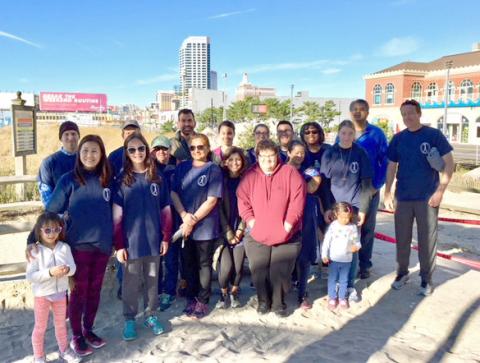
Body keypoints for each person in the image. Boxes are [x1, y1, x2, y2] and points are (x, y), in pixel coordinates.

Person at [46, 135, 117, 357]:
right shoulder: (69, 180)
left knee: (94, 292)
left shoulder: (108, 179)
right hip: (77, 247)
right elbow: (50, 212)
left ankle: (89, 330)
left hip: (103, 246)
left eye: (94, 151)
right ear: (79, 153)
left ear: (101, 154)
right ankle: (76, 335)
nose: (89, 155)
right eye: (85, 150)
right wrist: (35, 240)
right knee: (78, 293)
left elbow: (117, 211)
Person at [384, 99, 454, 296]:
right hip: (403, 196)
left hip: (427, 197)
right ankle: (402, 273)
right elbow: (391, 166)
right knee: (402, 239)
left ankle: (426, 279)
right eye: (404, 114)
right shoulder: (398, 139)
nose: (408, 117)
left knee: (427, 240)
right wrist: (388, 191)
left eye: (411, 113)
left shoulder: (433, 135)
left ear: (419, 113)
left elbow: (449, 163)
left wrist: (440, 191)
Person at [113, 133, 172, 340]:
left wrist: (165, 237)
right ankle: (130, 319)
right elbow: (117, 217)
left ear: (147, 150)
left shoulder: (157, 177)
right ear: (126, 153)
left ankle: (151, 314)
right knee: (130, 282)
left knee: (153, 279)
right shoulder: (121, 180)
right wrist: (119, 245)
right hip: (131, 243)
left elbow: (166, 209)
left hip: (154, 241)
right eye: (132, 149)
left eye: (141, 148)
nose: (137, 153)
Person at [237, 139, 306, 317]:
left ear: (278, 155)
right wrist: (252, 222)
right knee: (259, 270)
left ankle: (278, 301)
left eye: (271, 156)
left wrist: (288, 224)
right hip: (257, 233)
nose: (268, 161)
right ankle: (263, 300)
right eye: (263, 157)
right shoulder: (249, 175)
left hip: (287, 235)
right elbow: (243, 201)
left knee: (280, 272)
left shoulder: (290, 173)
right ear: (257, 157)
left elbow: (297, 202)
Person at [171, 134, 223, 319]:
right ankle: (191, 298)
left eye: (201, 147)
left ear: (208, 148)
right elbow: (173, 193)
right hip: (185, 226)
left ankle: (203, 300)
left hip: (205, 227)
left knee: (204, 265)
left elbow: (211, 200)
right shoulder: (182, 167)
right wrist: (184, 216)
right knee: (188, 264)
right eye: (193, 148)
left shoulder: (213, 169)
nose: (197, 151)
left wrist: (191, 220)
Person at [321, 120, 374, 303]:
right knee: (334, 244)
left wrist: (364, 209)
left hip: (353, 205)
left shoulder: (360, 153)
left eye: (350, 133)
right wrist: (328, 207)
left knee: (351, 246)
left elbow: (367, 183)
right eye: (343, 133)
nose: (346, 137)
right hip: (335, 207)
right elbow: (325, 183)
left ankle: (349, 284)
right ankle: (335, 282)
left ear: (354, 135)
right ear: (339, 134)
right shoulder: (330, 153)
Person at [26, 212, 80, 363]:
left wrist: (67, 270)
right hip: (42, 296)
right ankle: (39, 356)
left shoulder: (64, 248)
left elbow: (74, 268)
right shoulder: (34, 251)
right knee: (40, 327)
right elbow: (31, 276)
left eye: (56, 229)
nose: (52, 234)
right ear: (39, 231)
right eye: (47, 230)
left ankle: (64, 350)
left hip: (60, 294)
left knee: (61, 325)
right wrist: (50, 273)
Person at [26, 121, 80, 252]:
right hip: (58, 221)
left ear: (78, 136)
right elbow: (45, 192)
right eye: (66, 134)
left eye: (73, 134)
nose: (70, 137)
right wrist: (58, 216)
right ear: (60, 138)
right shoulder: (50, 162)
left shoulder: (86, 158)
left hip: (81, 217)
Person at [349, 99, 388, 279]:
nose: (358, 112)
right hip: (348, 190)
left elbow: (385, 161)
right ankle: (348, 262)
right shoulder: (346, 132)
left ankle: (365, 264)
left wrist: (376, 185)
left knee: (366, 228)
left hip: (368, 189)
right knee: (347, 226)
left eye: (361, 109)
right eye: (354, 109)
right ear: (350, 112)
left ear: (368, 112)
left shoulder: (376, 134)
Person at [287, 140, 321, 310]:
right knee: (285, 256)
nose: (299, 155)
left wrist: (315, 178)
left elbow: (313, 187)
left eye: (302, 152)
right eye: (296, 152)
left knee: (305, 256)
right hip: (286, 218)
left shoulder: (309, 169)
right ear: (288, 152)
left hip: (306, 217)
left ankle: (303, 292)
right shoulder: (281, 170)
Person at [151, 135, 181, 311]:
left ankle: (169, 291)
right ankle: (157, 290)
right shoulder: (149, 170)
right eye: (158, 149)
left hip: (174, 220)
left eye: (165, 148)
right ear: (153, 152)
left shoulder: (176, 168)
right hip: (155, 222)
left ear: (170, 150)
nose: (161, 152)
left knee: (171, 259)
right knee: (156, 259)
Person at [216, 147, 248, 309]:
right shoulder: (221, 180)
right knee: (226, 267)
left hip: (241, 229)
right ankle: (223, 293)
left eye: (238, 159)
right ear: (225, 162)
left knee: (238, 266)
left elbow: (250, 207)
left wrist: (240, 231)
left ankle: (234, 292)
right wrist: (229, 232)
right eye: (231, 159)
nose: (235, 162)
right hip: (223, 230)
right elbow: (218, 208)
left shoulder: (247, 180)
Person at [322, 202, 361, 310]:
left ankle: (342, 298)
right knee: (332, 279)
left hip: (347, 260)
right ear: (336, 214)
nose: (345, 220)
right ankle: (332, 297)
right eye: (342, 217)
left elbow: (356, 241)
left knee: (344, 280)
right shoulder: (333, 226)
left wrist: (356, 246)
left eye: (347, 218)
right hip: (334, 259)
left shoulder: (352, 227)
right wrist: (324, 254)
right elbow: (327, 241)